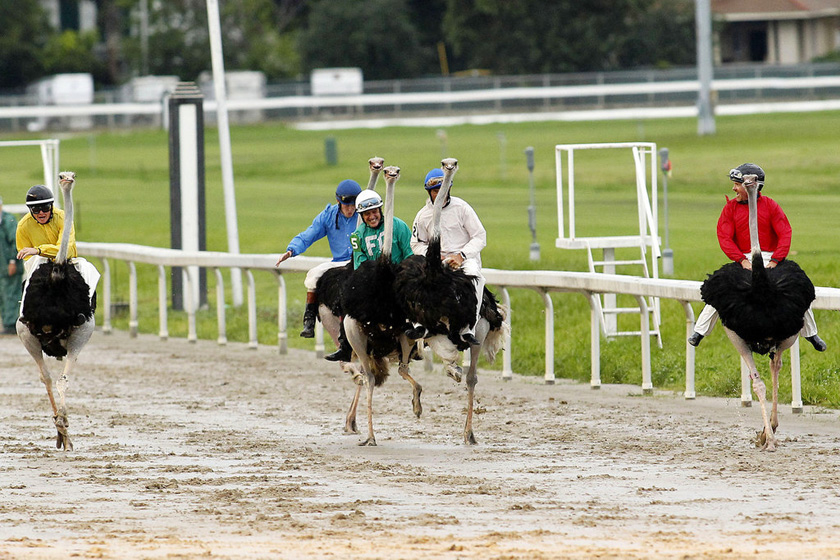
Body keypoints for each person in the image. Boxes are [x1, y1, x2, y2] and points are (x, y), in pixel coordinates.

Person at [688, 163, 826, 352]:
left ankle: (811, 333)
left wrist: (775, 260)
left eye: (737, 184)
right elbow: (724, 236)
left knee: (797, 289)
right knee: (721, 290)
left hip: (770, 258)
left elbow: (785, 232)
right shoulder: (730, 209)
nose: (733, 188)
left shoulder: (770, 206)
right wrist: (742, 260)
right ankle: (700, 330)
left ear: (751, 186)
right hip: (744, 258)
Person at [324, 189, 413, 362]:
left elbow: (410, 254)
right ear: (361, 216)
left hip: (400, 276)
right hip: (372, 280)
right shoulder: (358, 235)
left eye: (374, 212)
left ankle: (419, 336)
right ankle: (345, 346)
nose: (371, 217)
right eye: (366, 214)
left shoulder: (398, 226)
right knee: (348, 301)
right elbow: (360, 263)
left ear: (380, 211)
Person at [409, 168, 487, 346]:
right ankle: (420, 324)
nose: (441, 194)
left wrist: (461, 256)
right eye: (437, 191)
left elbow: (480, 236)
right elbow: (416, 244)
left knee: (476, 276)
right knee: (416, 278)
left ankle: (468, 328)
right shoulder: (422, 216)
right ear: (429, 192)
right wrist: (435, 255)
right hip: (437, 261)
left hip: (464, 260)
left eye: (444, 190)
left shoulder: (462, 208)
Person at [275, 179, 362, 338]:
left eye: (353, 205)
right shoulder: (328, 215)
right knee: (313, 274)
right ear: (338, 201)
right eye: (346, 205)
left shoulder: (364, 213)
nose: (350, 209)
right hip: (339, 262)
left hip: (362, 261)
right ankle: (309, 320)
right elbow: (309, 235)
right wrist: (291, 250)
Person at [16, 184, 100, 305]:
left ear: (51, 206)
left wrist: (39, 250)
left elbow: (67, 249)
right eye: (35, 209)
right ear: (30, 209)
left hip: (67, 262)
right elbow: (27, 257)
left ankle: (86, 312)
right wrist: (39, 258)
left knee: (88, 271)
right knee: (26, 285)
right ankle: (24, 317)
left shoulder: (63, 218)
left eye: (45, 208)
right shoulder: (23, 226)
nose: (41, 213)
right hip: (41, 266)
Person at [0, 196, 24, 334]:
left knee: (11, 294)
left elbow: (16, 242)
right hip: (1, 267)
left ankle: (12, 323)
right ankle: (6, 321)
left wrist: (13, 262)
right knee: (3, 295)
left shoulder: (9, 222)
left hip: (11, 265)